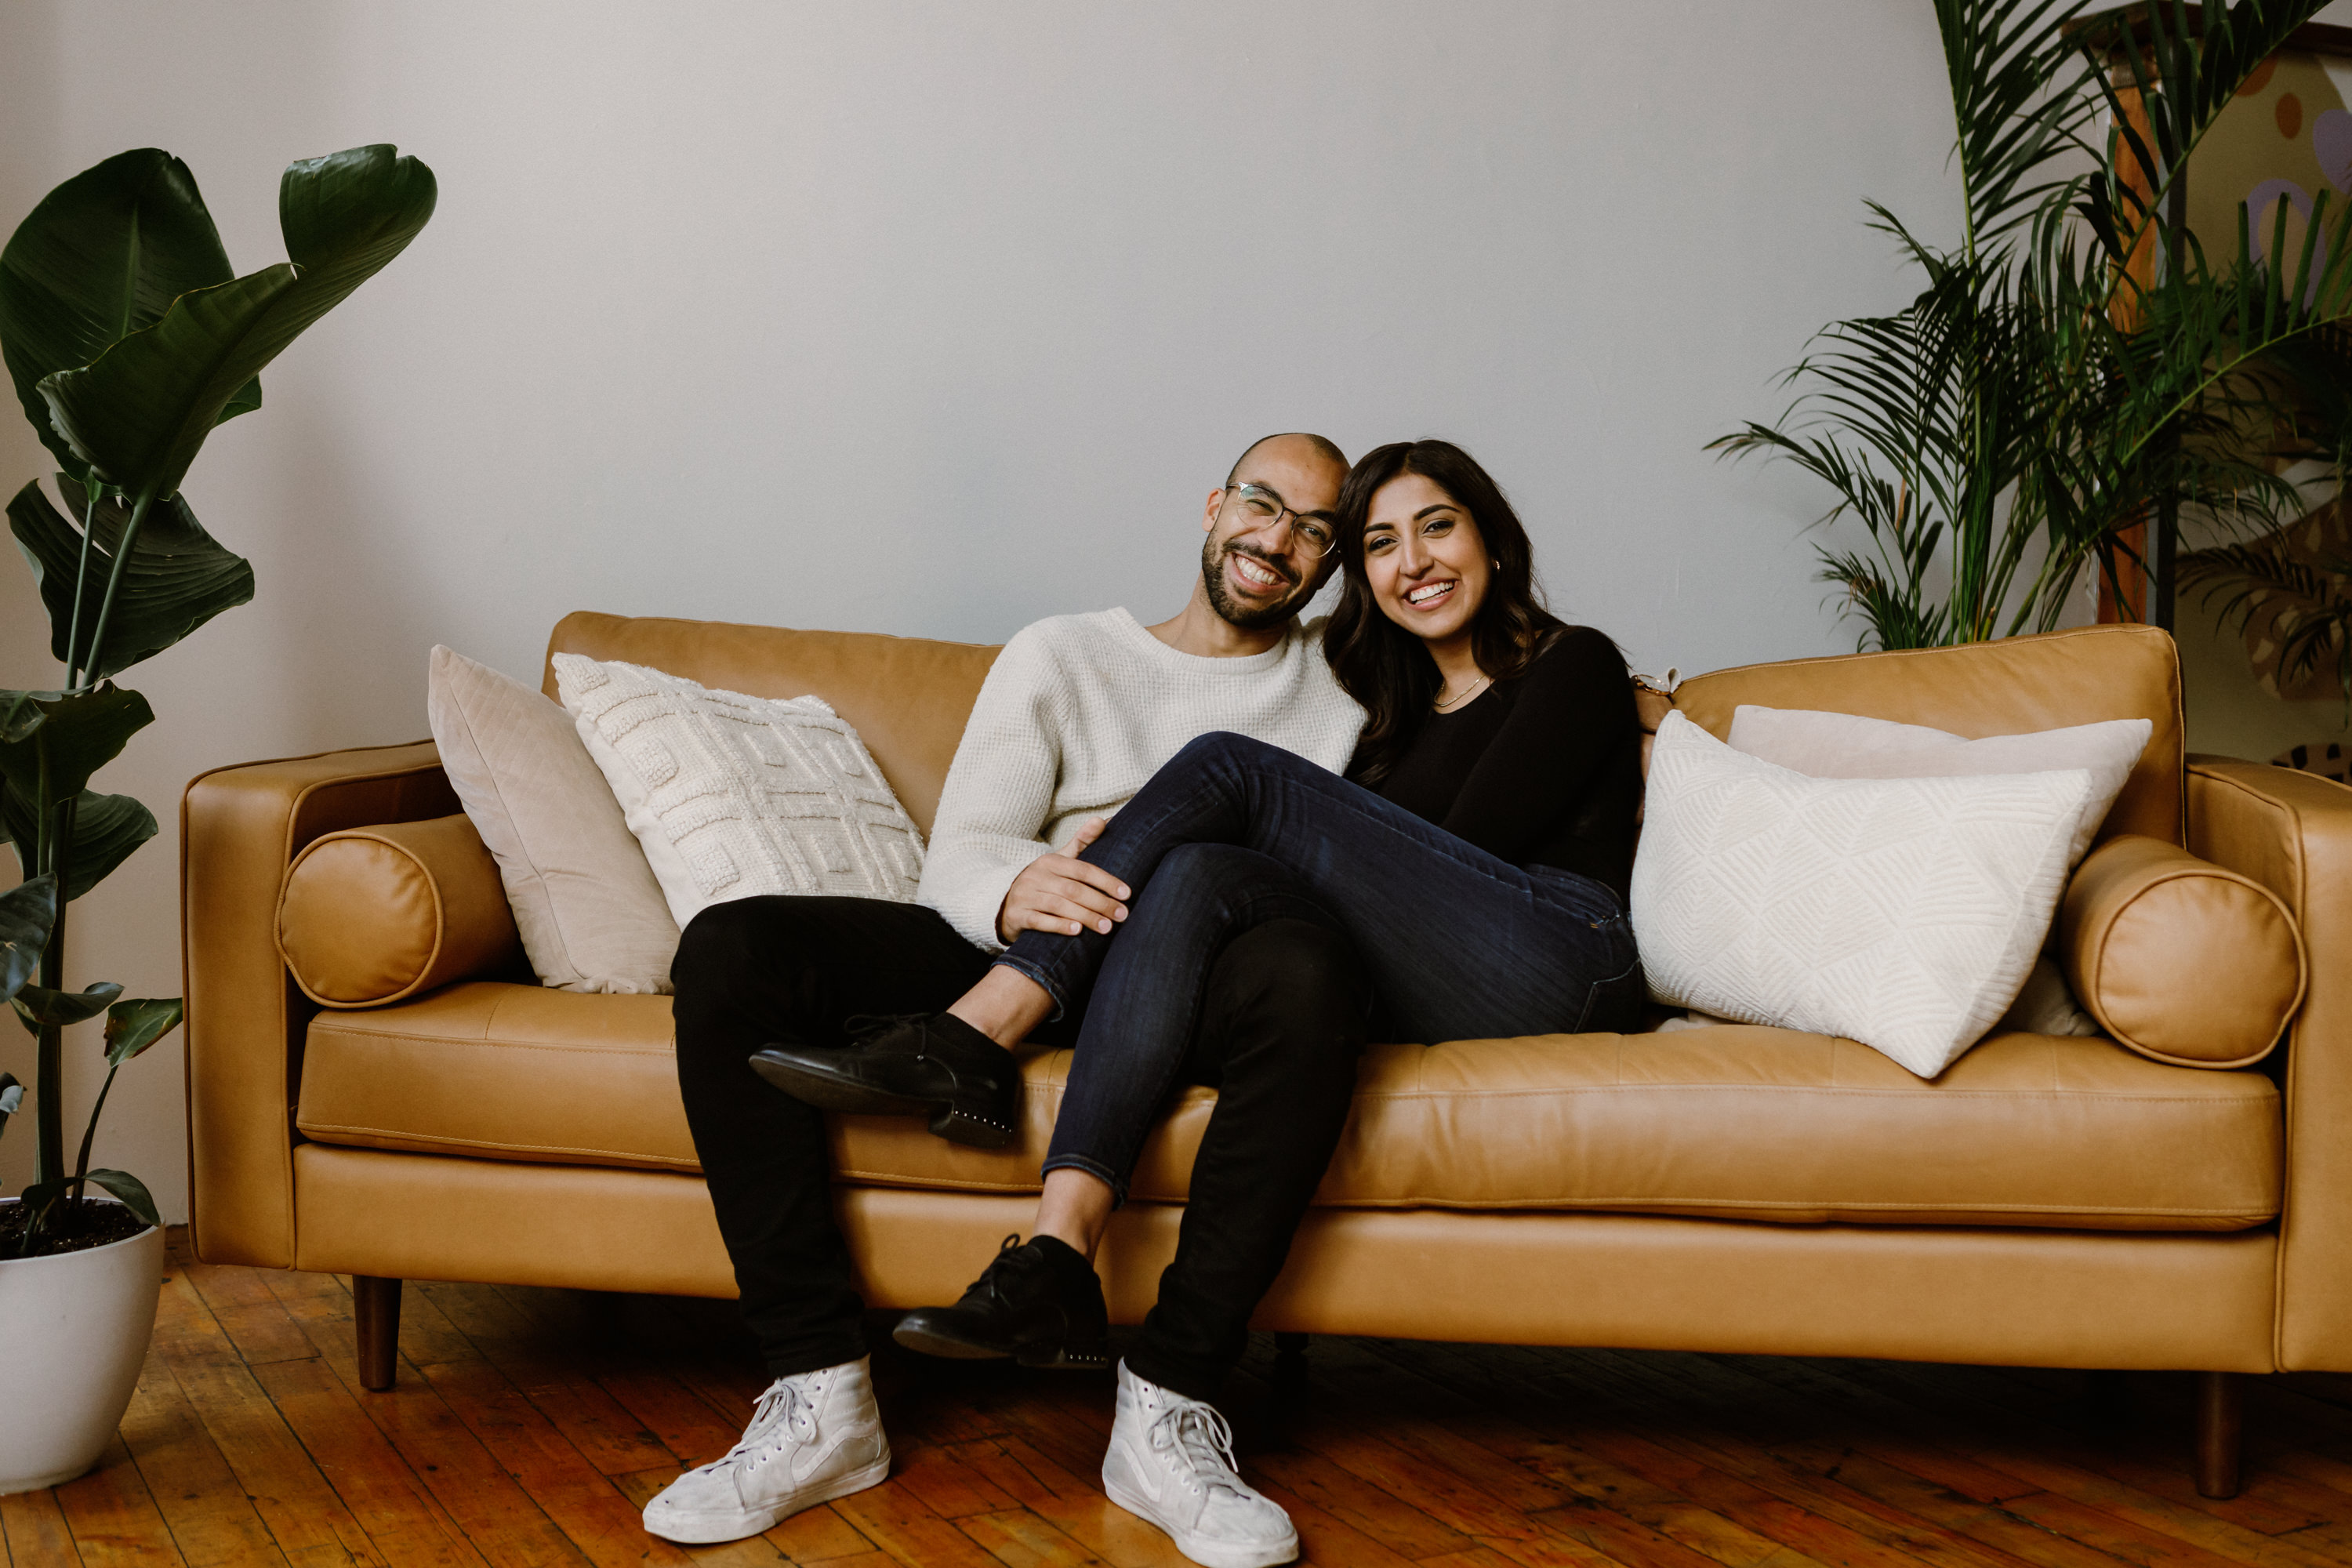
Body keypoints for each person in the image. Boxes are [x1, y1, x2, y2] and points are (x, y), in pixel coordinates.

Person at [782, 438, 1649, 1568]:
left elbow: (1457, 860)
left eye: (1437, 526)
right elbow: (1365, 887)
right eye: (1379, 544)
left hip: (1564, 951)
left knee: (1225, 772)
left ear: (1490, 535)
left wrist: (1200, 809)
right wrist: (1158, 846)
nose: (1412, 562)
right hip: (1445, 975)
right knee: (1191, 868)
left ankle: (978, 1028)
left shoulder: (1572, 664)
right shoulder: (1382, 716)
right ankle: (1055, 1256)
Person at [641, 433, 1370, 1554]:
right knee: (735, 952)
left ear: (1330, 565)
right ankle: (821, 1392)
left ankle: (1170, 1405)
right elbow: (964, 852)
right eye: (1264, 507)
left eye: (1315, 531)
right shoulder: (1064, 653)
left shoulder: (1348, 693)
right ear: (1215, 504)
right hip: (1018, 954)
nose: (1278, 541)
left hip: (1202, 975)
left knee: (1303, 972)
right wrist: (1021, 880)